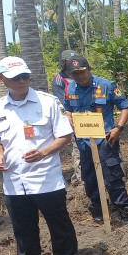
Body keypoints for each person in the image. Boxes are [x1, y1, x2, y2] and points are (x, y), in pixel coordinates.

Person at [0, 56, 78, 255]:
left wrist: (43, 152)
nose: (22, 81)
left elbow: (65, 135)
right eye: (15, 77)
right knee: (24, 230)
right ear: (1, 79)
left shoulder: (48, 102)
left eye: (25, 76)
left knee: (59, 226)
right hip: (14, 182)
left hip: (47, 179)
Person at [63, 54, 128, 225]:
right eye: (74, 74)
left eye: (81, 72)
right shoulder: (70, 89)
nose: (79, 76)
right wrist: (69, 117)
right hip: (83, 140)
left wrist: (119, 127)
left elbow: (125, 106)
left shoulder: (107, 85)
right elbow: (67, 108)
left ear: (89, 69)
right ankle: (98, 207)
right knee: (89, 177)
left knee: (112, 174)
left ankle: (123, 208)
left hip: (106, 138)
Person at [52, 49, 82, 186]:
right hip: (73, 119)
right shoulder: (60, 80)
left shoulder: (81, 75)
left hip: (89, 119)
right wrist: (69, 119)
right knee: (78, 151)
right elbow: (61, 103)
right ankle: (80, 181)